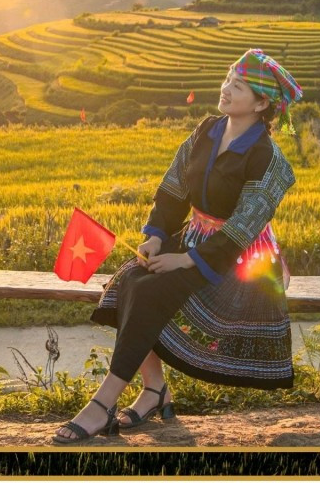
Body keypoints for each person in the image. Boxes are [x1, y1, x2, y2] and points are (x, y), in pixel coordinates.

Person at [53, 49, 302, 444]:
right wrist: (155, 235)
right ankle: (154, 390)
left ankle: (102, 404)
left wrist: (185, 259)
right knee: (129, 280)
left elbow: (243, 227)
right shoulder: (207, 130)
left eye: (238, 86)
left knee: (152, 291)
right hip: (193, 238)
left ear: (261, 104)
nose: (225, 89)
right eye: (227, 79)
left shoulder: (267, 158)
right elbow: (174, 187)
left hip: (239, 260)